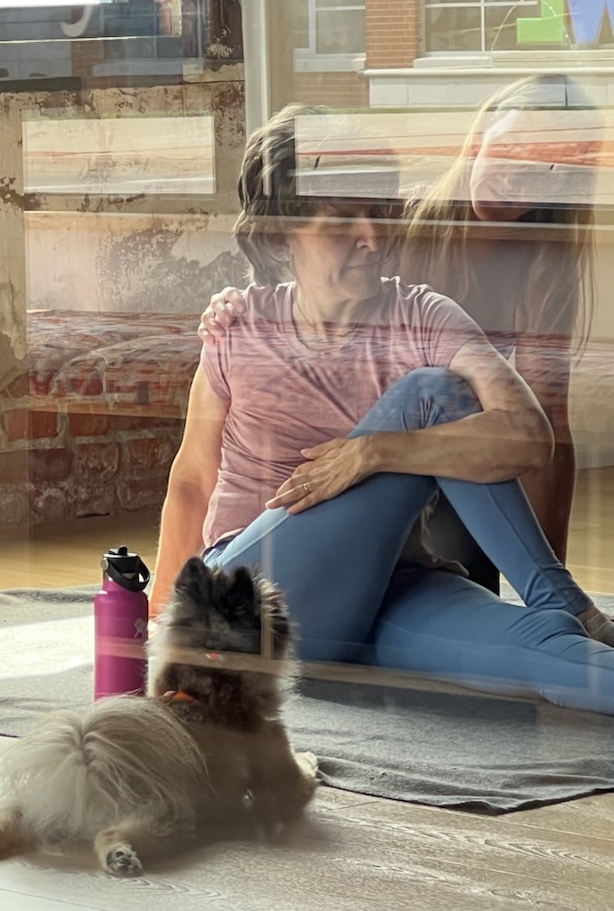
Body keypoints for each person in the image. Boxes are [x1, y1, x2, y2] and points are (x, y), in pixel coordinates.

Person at [151, 103, 614, 716]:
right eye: (343, 221)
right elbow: (192, 481)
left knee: (546, 650)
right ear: (279, 236)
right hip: (255, 603)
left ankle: (558, 608)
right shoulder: (239, 328)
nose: (372, 237)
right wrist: (157, 622)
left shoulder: (424, 315)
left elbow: (529, 434)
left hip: (391, 593)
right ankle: (560, 595)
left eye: (380, 210)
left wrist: (373, 453)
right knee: (433, 393)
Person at [200, 76, 598, 592]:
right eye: (510, 150)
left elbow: (546, 434)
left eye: (548, 166)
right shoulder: (396, 225)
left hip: (465, 462)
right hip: (369, 472)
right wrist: (230, 305)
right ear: (480, 138)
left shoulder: (546, 269)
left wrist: (551, 583)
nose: (518, 176)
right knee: (433, 396)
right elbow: (302, 280)